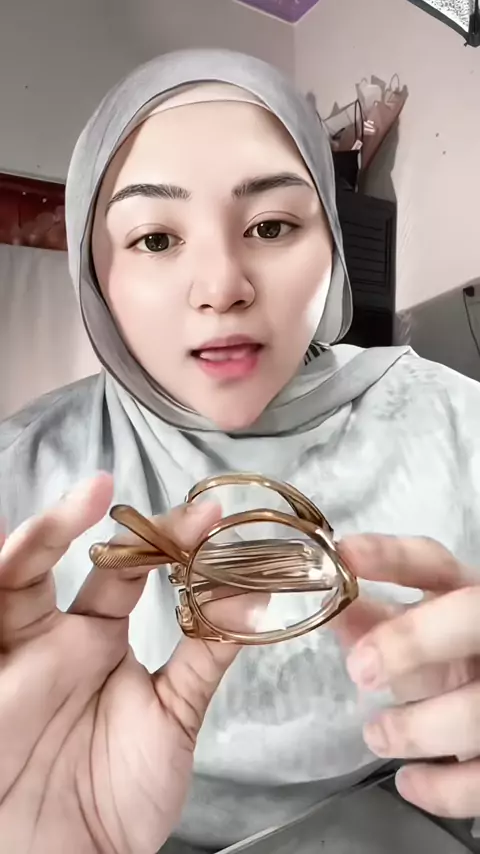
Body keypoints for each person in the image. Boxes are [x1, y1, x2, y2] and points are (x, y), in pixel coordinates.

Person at [0, 48, 479, 854]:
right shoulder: (21, 481)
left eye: (271, 226)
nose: (223, 286)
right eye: (156, 238)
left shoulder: (458, 424)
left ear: (331, 247)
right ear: (95, 275)